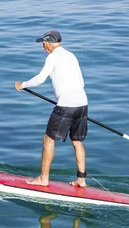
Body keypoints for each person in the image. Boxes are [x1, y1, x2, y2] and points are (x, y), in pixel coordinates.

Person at [15, 30, 88, 187]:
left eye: (43, 43)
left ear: (48, 43)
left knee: (48, 139)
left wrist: (23, 85)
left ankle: (43, 178)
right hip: (82, 103)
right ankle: (81, 180)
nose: (42, 47)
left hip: (66, 105)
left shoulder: (52, 57)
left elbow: (40, 79)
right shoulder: (71, 55)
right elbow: (81, 82)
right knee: (77, 141)